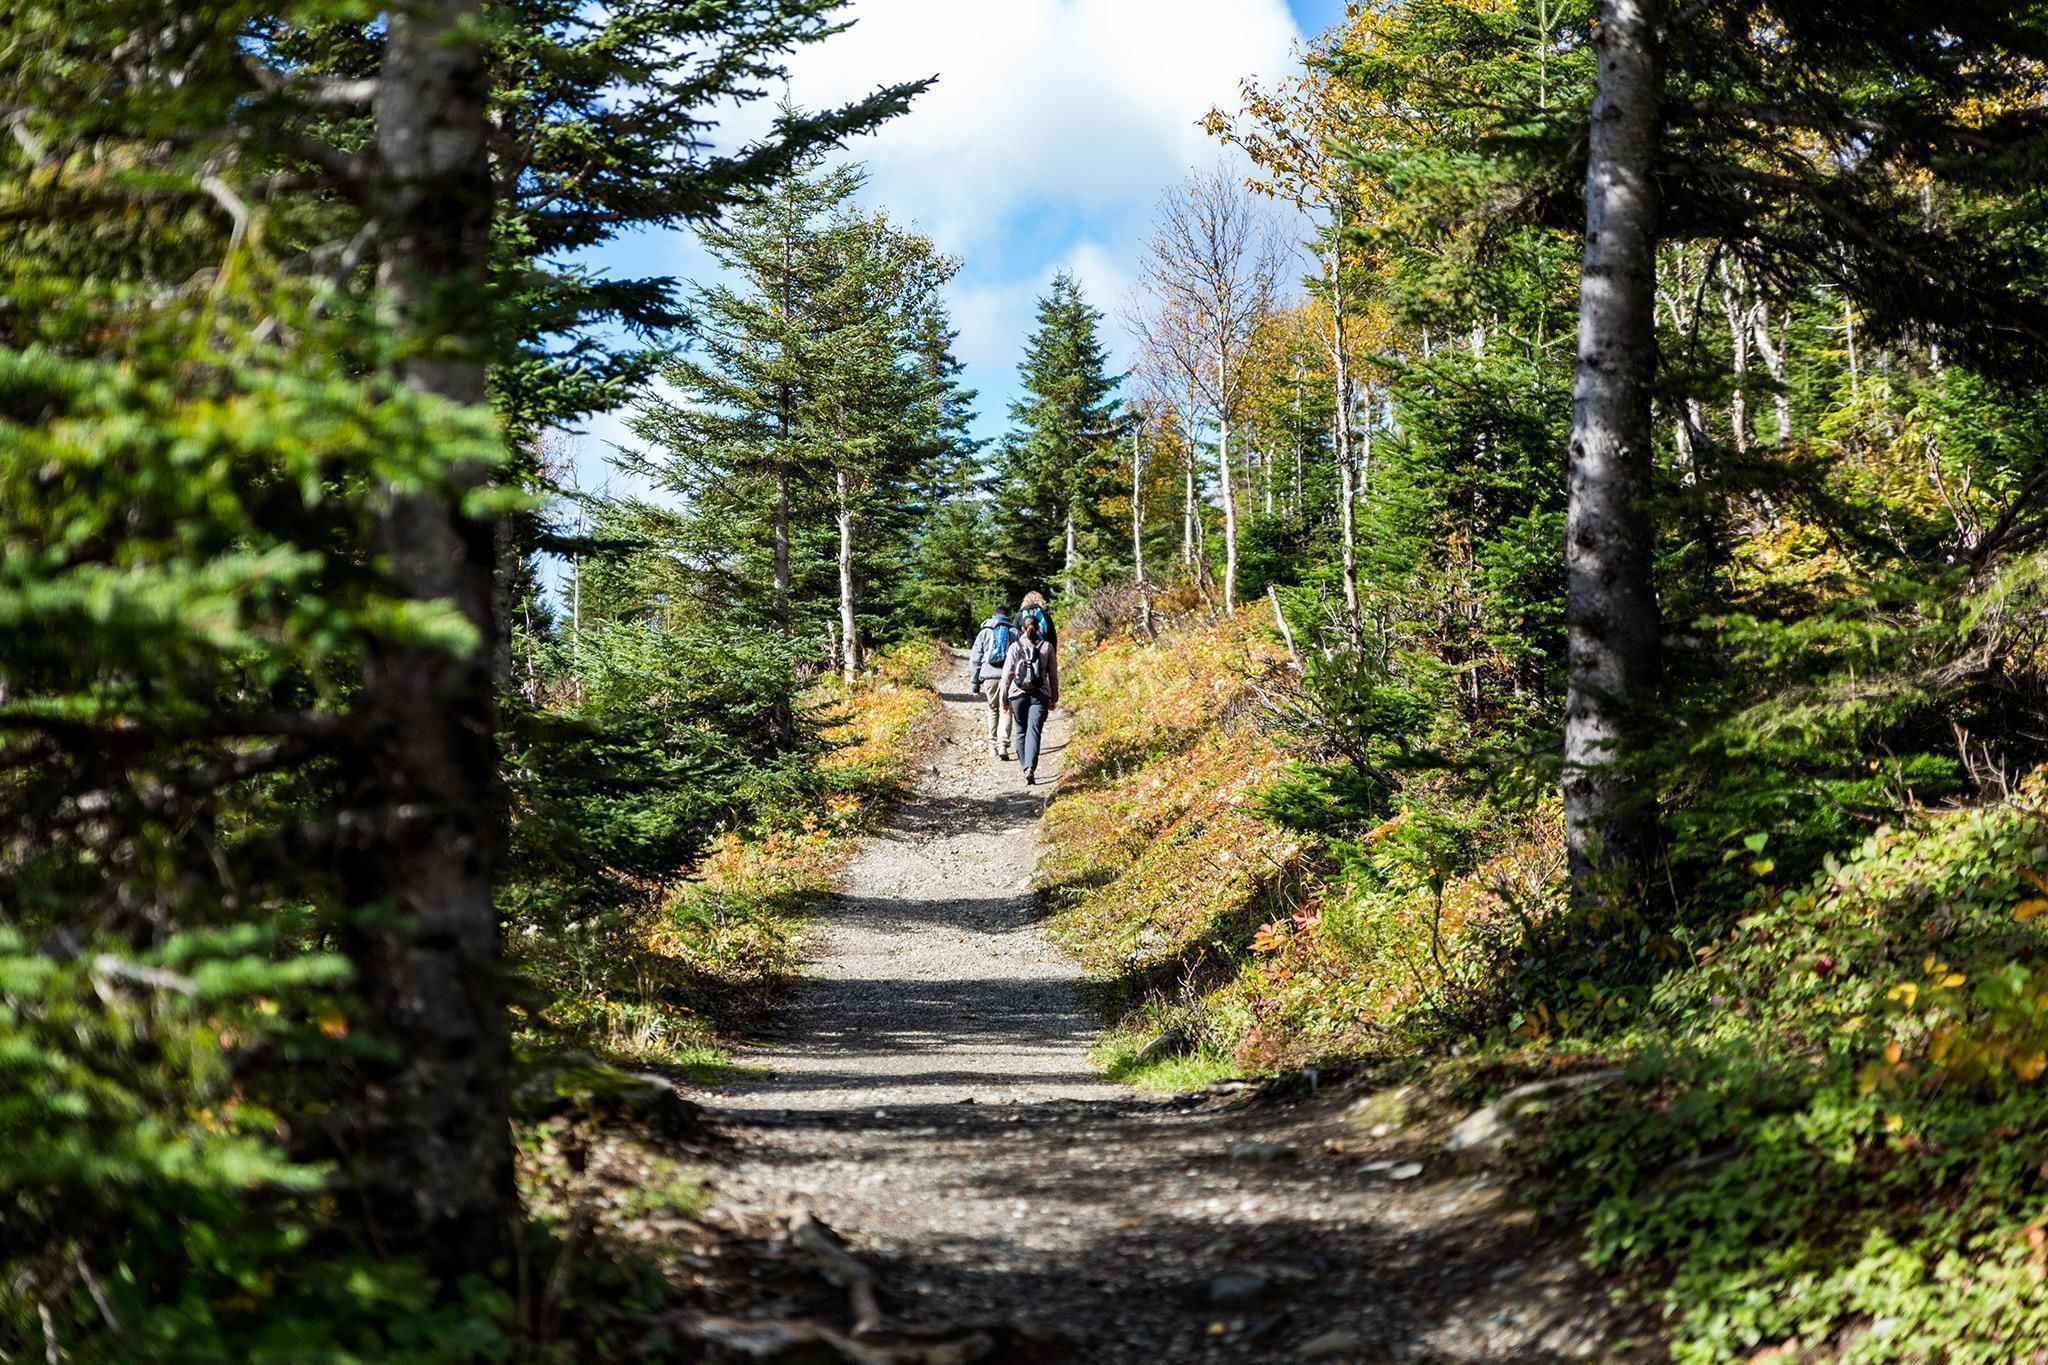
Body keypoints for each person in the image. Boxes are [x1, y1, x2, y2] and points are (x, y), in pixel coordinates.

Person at [997, 610, 1058, 785]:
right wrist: (1054, 697)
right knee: (1034, 731)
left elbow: (1007, 676)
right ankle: (1031, 767)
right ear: (1038, 628)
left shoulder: (1015, 647)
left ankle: (1025, 767)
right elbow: (1053, 675)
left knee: (1021, 730)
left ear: (1022, 629)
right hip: (1040, 695)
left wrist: (1004, 700)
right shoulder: (1047, 647)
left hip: (1017, 695)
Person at [968, 604, 1016, 760]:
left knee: (993, 709)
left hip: (989, 677)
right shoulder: (1014, 632)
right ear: (1008, 615)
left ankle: (992, 747)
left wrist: (975, 684)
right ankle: (1003, 745)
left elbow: (975, 659)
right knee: (1006, 709)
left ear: (994, 615)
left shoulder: (984, 632)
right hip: (1008, 677)